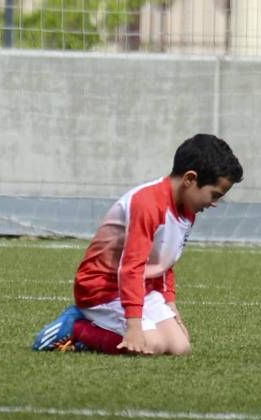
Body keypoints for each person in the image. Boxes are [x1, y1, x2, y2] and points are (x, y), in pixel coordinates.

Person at [32, 133, 243, 355]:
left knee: (180, 347)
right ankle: (76, 328)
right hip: (103, 289)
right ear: (190, 179)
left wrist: (170, 304)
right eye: (215, 195)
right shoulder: (147, 203)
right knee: (149, 345)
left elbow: (164, 262)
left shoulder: (188, 210)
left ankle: (112, 326)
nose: (215, 203)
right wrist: (133, 326)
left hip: (143, 287)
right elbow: (131, 267)